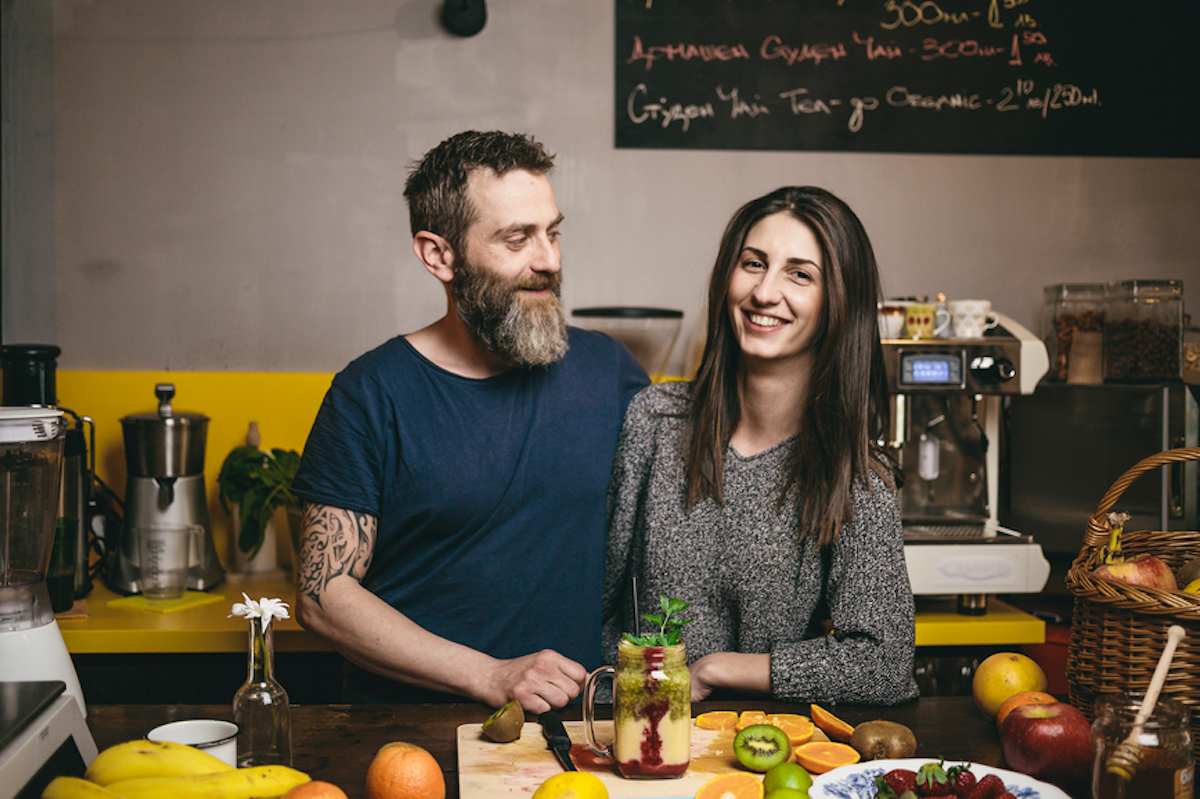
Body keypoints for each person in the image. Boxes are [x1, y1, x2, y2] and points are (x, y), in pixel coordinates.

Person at [293, 131, 647, 710]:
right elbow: (322, 595)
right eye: (517, 239)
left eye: (552, 233)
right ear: (439, 255)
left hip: (581, 727)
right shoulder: (370, 394)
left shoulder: (608, 371)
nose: (549, 261)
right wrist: (489, 675)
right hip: (410, 731)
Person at [603, 186, 917, 704]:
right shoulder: (655, 420)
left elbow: (885, 664)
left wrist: (719, 670)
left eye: (800, 274)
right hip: (642, 741)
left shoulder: (856, 476)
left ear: (839, 302)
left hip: (770, 756)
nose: (765, 293)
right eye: (753, 263)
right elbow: (598, 600)